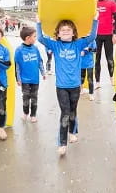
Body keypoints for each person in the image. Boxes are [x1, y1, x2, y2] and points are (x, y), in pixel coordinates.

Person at [37, 12, 98, 156]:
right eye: (62, 30)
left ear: (73, 33)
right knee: (65, 113)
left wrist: (95, 20)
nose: (65, 31)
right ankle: (62, 143)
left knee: (73, 111)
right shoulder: (55, 45)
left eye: (68, 30)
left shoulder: (78, 44)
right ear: (57, 34)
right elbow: (40, 38)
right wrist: (39, 23)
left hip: (76, 86)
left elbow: (92, 37)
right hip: (61, 87)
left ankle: (73, 131)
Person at [15, 26, 45, 123]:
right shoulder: (19, 50)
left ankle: (33, 115)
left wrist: (43, 72)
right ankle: (25, 113)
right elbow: (17, 66)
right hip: (25, 80)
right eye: (34, 36)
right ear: (28, 38)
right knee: (26, 97)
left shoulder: (35, 48)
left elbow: (40, 61)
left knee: (34, 97)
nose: (36, 38)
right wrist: (18, 79)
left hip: (35, 79)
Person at [94, 0, 116, 88]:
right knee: (97, 59)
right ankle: (97, 82)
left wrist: (115, 34)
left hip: (109, 35)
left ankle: (112, 79)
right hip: (96, 36)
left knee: (109, 58)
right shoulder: (93, 4)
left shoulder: (111, 3)